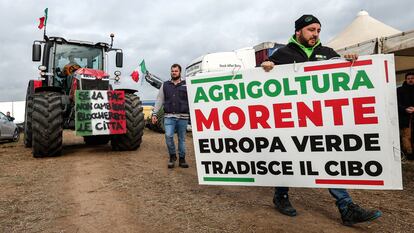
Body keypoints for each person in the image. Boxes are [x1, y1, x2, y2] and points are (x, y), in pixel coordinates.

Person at [261, 14, 382, 226]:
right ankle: (280, 195)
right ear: (298, 31)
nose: (315, 34)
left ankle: (346, 207)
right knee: (286, 157)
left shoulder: (327, 53)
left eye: (318, 30)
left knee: (328, 159)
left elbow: (343, 76)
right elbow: (260, 84)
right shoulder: (282, 54)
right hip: (291, 121)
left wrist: (350, 61)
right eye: (311, 30)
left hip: (321, 121)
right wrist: (266, 68)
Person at [152, 64, 190, 168]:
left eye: (176, 71)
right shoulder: (165, 85)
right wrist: (154, 113)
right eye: (172, 71)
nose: (174, 72)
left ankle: (182, 159)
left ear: (180, 72)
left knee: (181, 139)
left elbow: (192, 100)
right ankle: (172, 156)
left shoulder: (186, 84)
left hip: (183, 117)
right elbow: (159, 99)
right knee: (168, 136)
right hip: (169, 117)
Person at [397, 72, 414, 160]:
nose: (410, 80)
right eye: (409, 78)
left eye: (412, 78)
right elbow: (397, 103)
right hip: (405, 117)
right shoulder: (400, 90)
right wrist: (405, 109)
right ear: (406, 79)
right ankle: (409, 154)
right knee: (406, 136)